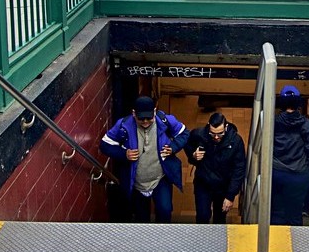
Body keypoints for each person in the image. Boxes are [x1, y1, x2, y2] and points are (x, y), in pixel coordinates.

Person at [100, 95, 189, 223]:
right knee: (141, 217)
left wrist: (173, 147)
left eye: (149, 118)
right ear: (134, 114)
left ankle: (163, 239)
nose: (146, 122)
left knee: (165, 210)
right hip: (136, 182)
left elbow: (184, 133)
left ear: (154, 111)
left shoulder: (165, 120)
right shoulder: (123, 125)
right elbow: (104, 145)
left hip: (160, 178)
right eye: (141, 119)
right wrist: (124, 154)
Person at [271, 86, 309, 226]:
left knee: (276, 213)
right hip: (299, 176)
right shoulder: (307, 125)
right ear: (299, 103)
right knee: (295, 214)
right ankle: (294, 244)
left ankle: (274, 245)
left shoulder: (271, 123)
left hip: (276, 174)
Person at [184, 112, 246, 224]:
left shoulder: (236, 141)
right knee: (202, 216)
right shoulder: (199, 134)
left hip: (223, 186)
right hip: (203, 183)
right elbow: (188, 144)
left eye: (220, 134)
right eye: (213, 134)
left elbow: (239, 169)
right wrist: (193, 155)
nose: (216, 137)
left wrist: (230, 196)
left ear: (226, 127)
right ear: (208, 126)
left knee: (220, 218)